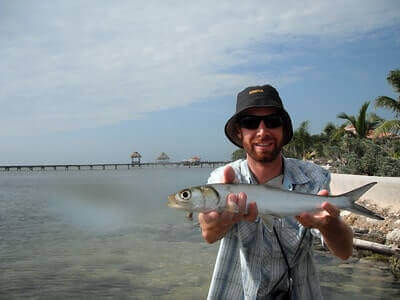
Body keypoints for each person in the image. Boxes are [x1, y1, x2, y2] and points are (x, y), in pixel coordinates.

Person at [198, 84, 353, 299]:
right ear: (238, 132)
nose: (262, 132)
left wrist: (329, 224)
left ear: (283, 129)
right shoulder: (224, 179)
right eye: (250, 123)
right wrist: (219, 221)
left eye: (272, 122)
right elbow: (209, 233)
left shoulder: (314, 177)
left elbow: (344, 252)